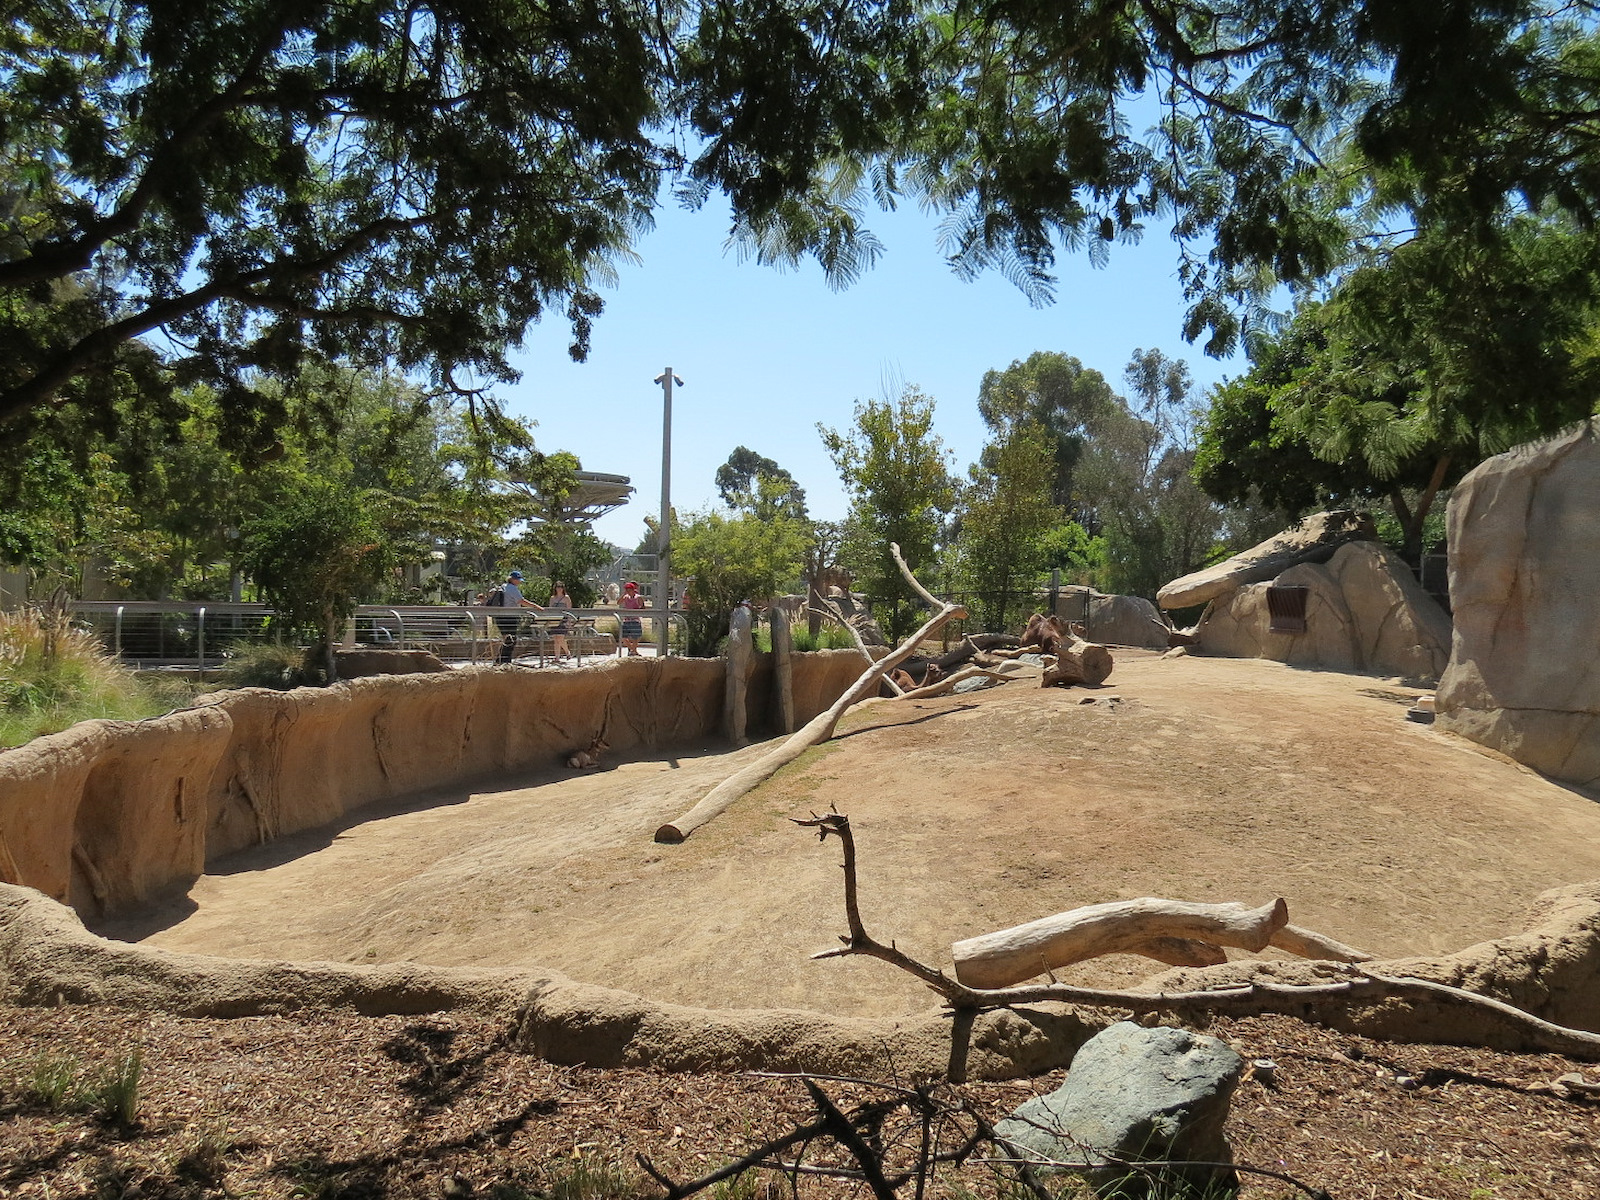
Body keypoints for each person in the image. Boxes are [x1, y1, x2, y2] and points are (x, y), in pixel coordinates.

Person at [546, 580, 574, 661]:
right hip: (554, 619)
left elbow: (569, 610)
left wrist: (569, 621)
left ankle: (567, 652)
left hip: (563, 620)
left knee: (560, 638)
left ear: (563, 588)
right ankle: (557, 657)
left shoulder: (566, 598)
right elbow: (550, 609)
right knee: (556, 639)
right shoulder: (552, 598)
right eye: (557, 587)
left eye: (561, 587)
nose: (559, 589)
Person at [618, 580, 645, 656]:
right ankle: (633, 650)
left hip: (635, 620)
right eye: (626, 590)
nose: (627, 591)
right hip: (626, 620)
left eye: (629, 589)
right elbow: (618, 602)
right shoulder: (626, 597)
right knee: (623, 637)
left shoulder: (638, 597)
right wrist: (623, 595)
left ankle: (633, 651)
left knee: (635, 637)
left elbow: (642, 607)